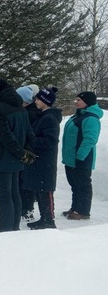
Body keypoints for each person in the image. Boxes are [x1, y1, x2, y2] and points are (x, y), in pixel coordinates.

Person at [0, 78, 35, 232]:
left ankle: (6, 231)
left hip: (1, 158)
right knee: (14, 194)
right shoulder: (20, 108)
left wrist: (20, 152)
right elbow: (29, 133)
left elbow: (5, 136)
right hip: (15, 159)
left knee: (4, 196)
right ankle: (13, 229)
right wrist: (24, 152)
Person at [23, 87, 62, 230]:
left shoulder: (49, 118)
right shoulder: (43, 116)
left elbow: (51, 140)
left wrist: (31, 141)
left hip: (45, 160)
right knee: (39, 189)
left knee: (45, 190)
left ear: (45, 102)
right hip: (38, 160)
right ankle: (43, 218)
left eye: (39, 99)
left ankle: (49, 220)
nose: (36, 101)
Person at [61, 91, 103, 220]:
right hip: (71, 159)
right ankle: (75, 208)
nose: (76, 102)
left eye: (79, 100)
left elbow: (90, 139)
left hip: (82, 159)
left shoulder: (90, 118)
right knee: (75, 184)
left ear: (87, 102)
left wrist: (80, 156)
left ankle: (83, 211)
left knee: (82, 184)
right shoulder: (78, 115)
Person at [16, 85, 40, 221]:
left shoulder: (29, 113)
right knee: (24, 182)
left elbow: (28, 133)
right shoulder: (29, 111)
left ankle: (27, 210)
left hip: (27, 152)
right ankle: (25, 208)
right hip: (27, 151)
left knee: (25, 183)